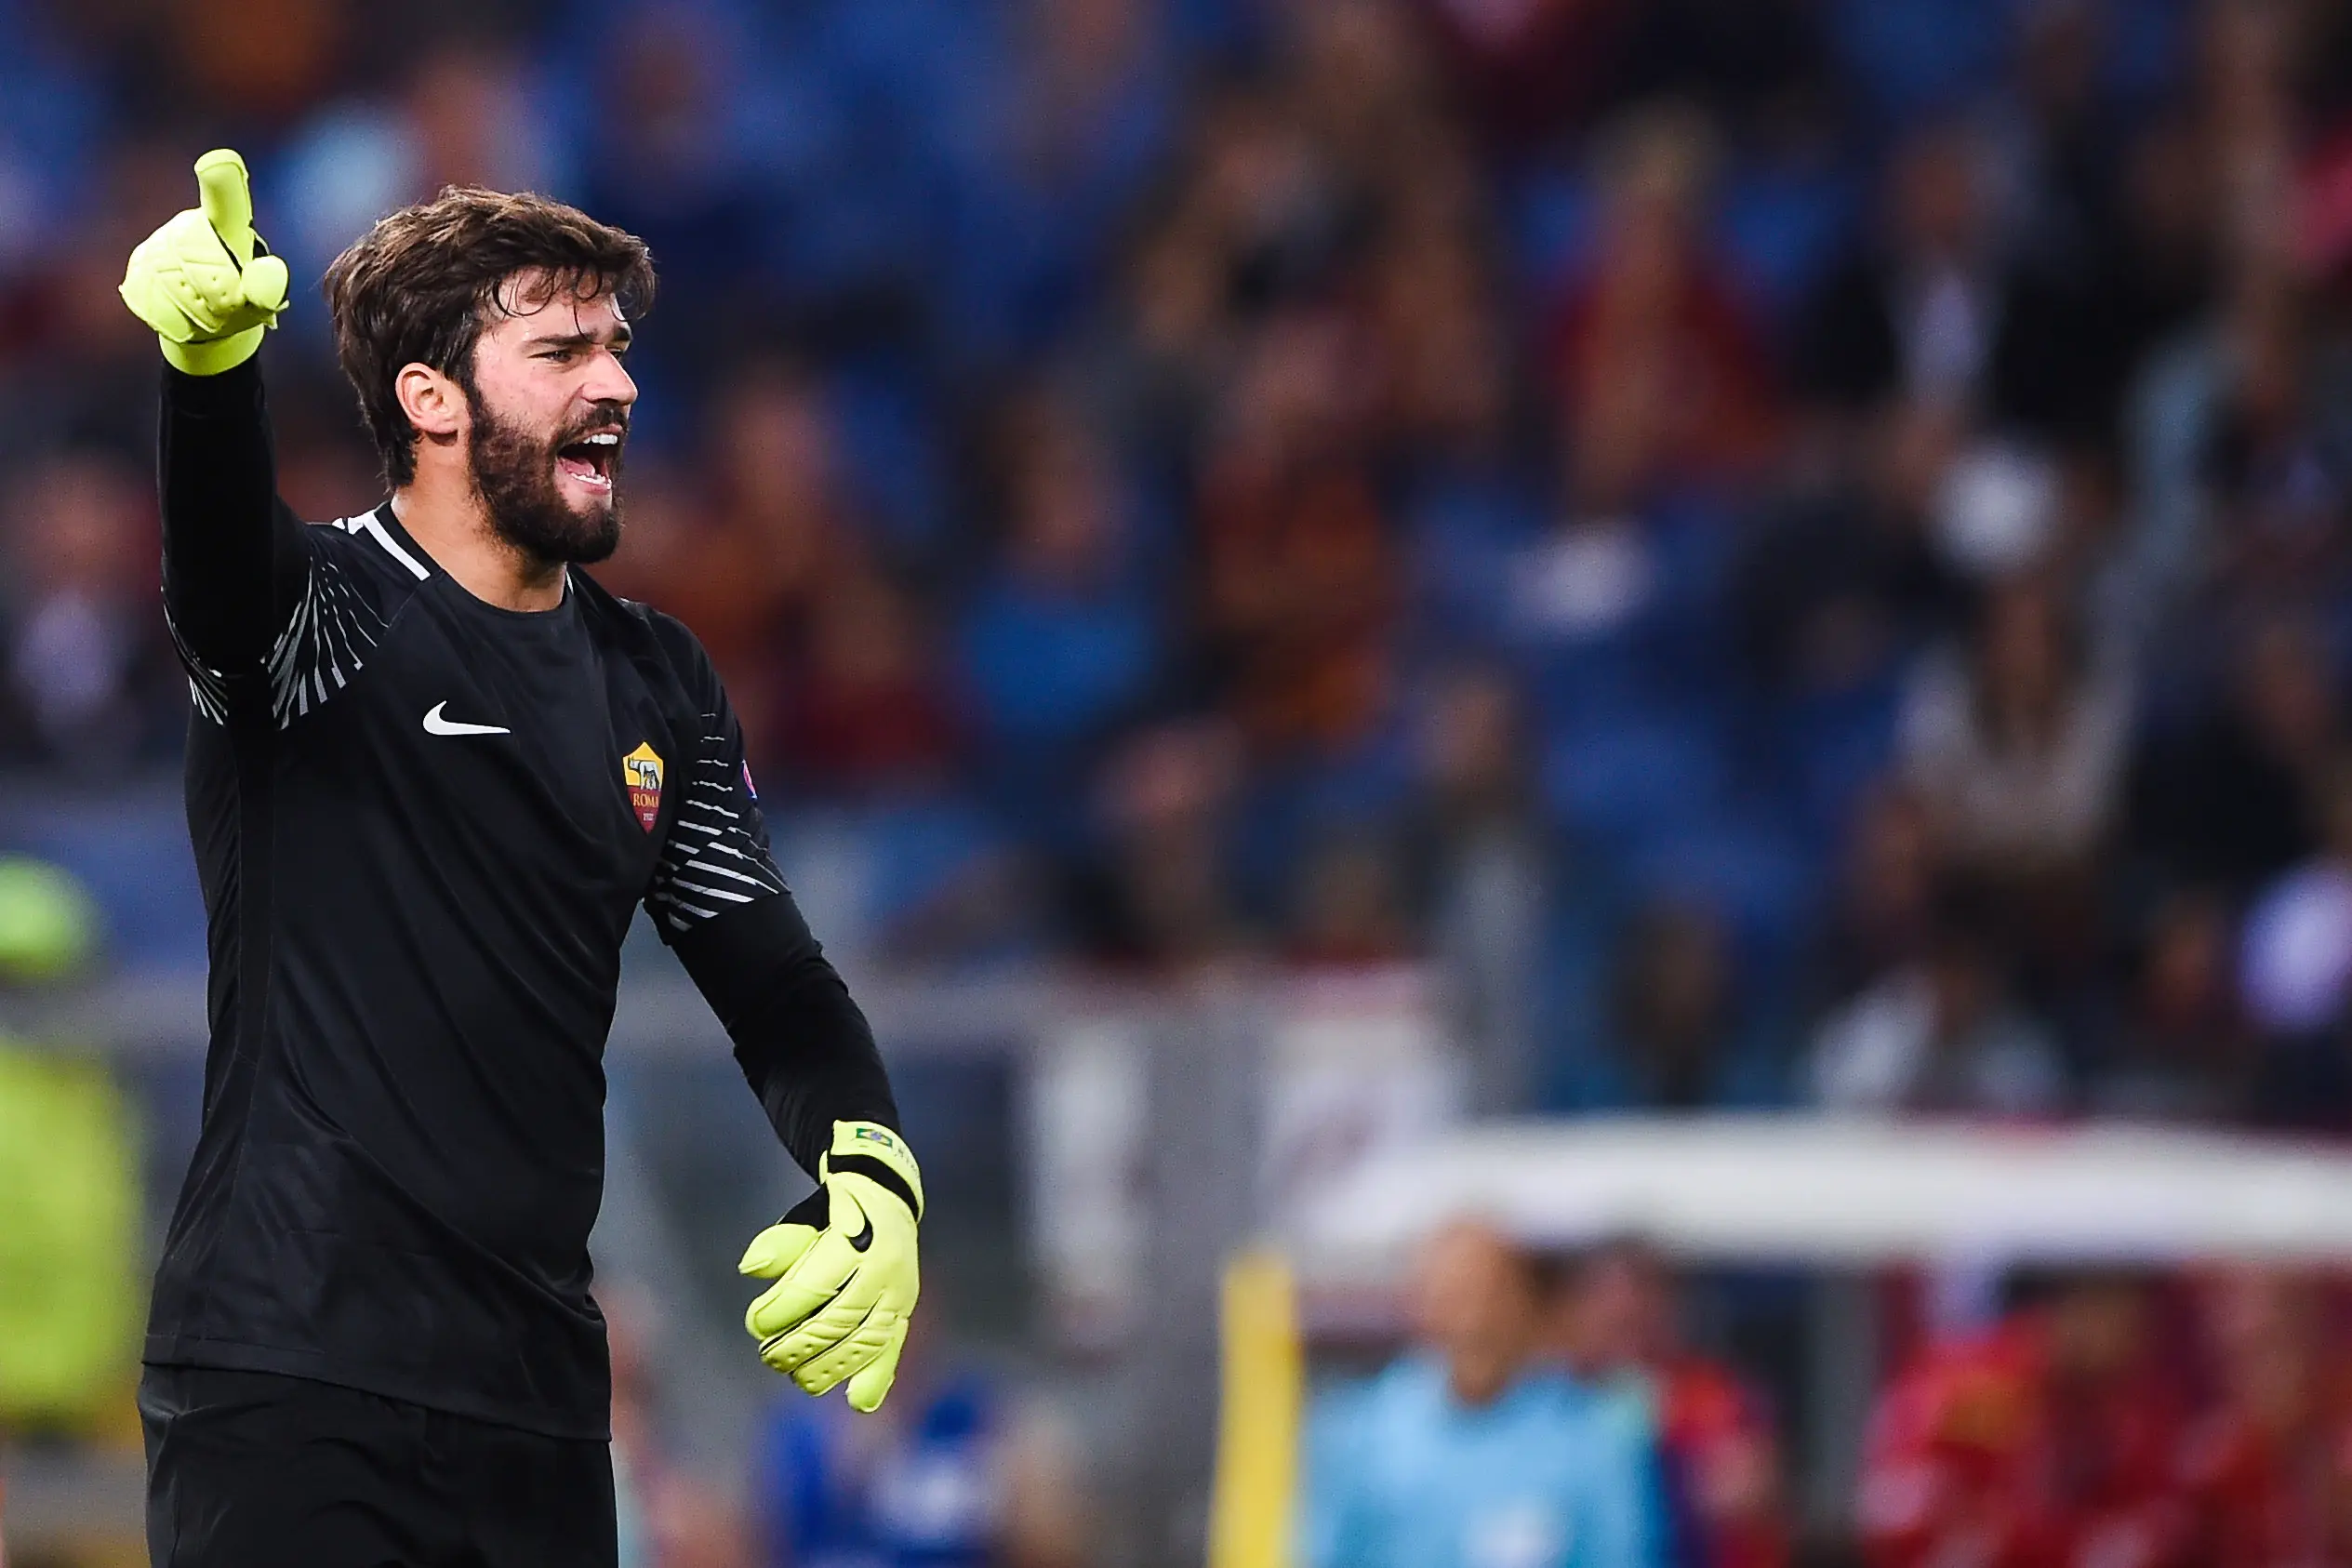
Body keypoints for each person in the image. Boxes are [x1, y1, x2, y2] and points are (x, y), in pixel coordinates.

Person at [114, 151, 926, 1566]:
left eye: (614, 347)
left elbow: (777, 980)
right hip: (295, 1379)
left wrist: (869, 1165)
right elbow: (222, 585)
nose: (612, 384)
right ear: (430, 398)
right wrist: (208, 373)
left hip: (542, 1411)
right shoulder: (329, 614)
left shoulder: (656, 680)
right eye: (558, 349)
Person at [1306, 1218, 1665, 1568]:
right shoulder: (1365, 1435)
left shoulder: (1590, 1439)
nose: (1474, 1319)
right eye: (1454, 1297)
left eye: (1490, 1296)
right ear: (1420, 1307)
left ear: (1522, 1305)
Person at [1854, 1269, 2186, 1568]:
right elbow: (1903, 1512)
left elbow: (2155, 1523)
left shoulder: (2129, 1399)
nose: (2133, 1337)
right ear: (2070, 1308)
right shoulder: (1975, 1386)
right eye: (2118, 1316)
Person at [1554, 1239, 1789, 1568]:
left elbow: (1751, 1495)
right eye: (1605, 1301)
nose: (1625, 1308)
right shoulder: (1548, 1405)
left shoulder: (1715, 1397)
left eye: (1641, 1296)